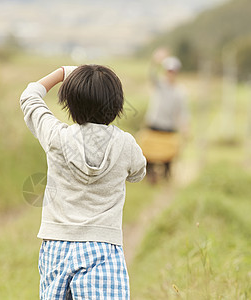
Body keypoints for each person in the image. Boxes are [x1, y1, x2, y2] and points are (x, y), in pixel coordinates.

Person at [20, 65, 146, 299]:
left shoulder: (56, 137)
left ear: (70, 104)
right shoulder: (126, 144)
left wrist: (62, 72)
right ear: (117, 105)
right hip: (102, 246)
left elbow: (29, 97)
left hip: (56, 244)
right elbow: (138, 173)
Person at [138, 49, 189, 184]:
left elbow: (183, 113)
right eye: (168, 70)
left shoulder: (180, 92)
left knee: (168, 156)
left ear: (177, 72)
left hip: (169, 128)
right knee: (148, 153)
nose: (170, 73)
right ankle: (149, 175)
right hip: (154, 125)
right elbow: (151, 74)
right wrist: (156, 61)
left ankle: (166, 177)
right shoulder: (159, 84)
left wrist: (185, 129)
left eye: (173, 71)